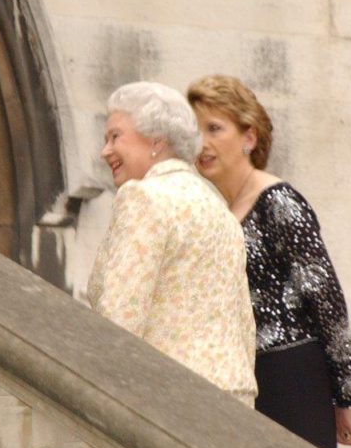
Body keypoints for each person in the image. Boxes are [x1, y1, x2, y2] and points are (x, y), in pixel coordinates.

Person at [187, 73, 351, 448]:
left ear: (249, 138)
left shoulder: (279, 201)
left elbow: (328, 303)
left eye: (215, 128)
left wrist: (343, 398)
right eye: (195, 130)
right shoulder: (214, 209)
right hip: (238, 379)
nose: (202, 143)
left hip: (290, 374)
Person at [87, 81, 257, 405]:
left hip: (169, 396)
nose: (105, 150)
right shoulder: (218, 207)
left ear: (156, 141)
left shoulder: (143, 197)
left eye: (115, 136)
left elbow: (121, 313)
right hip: (235, 395)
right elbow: (244, 324)